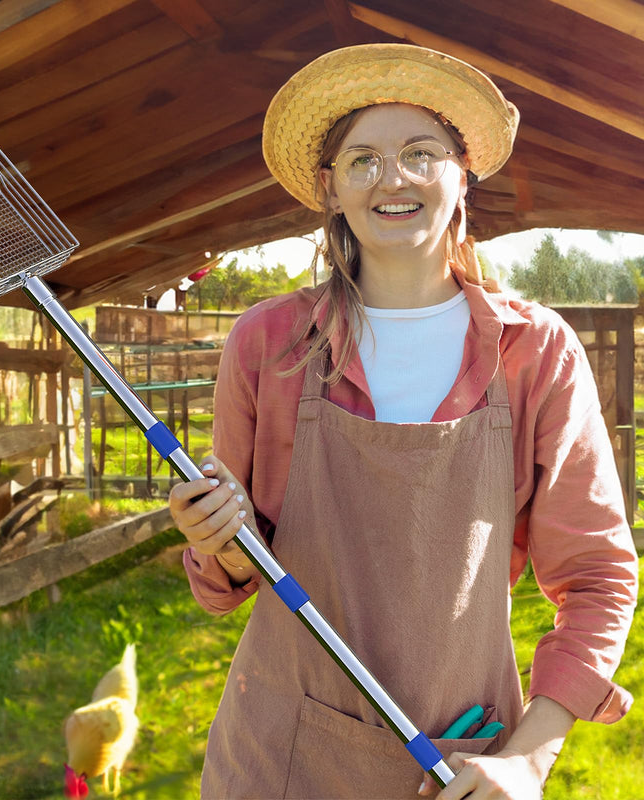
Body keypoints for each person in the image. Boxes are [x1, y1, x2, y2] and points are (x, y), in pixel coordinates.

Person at [169, 43, 638, 800]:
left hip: (460, 762)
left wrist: (527, 758)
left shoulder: (533, 350)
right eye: (363, 160)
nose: (394, 179)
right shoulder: (268, 343)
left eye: (422, 153)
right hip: (279, 757)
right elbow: (234, 576)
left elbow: (599, 578)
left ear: (463, 173)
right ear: (330, 188)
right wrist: (211, 538)